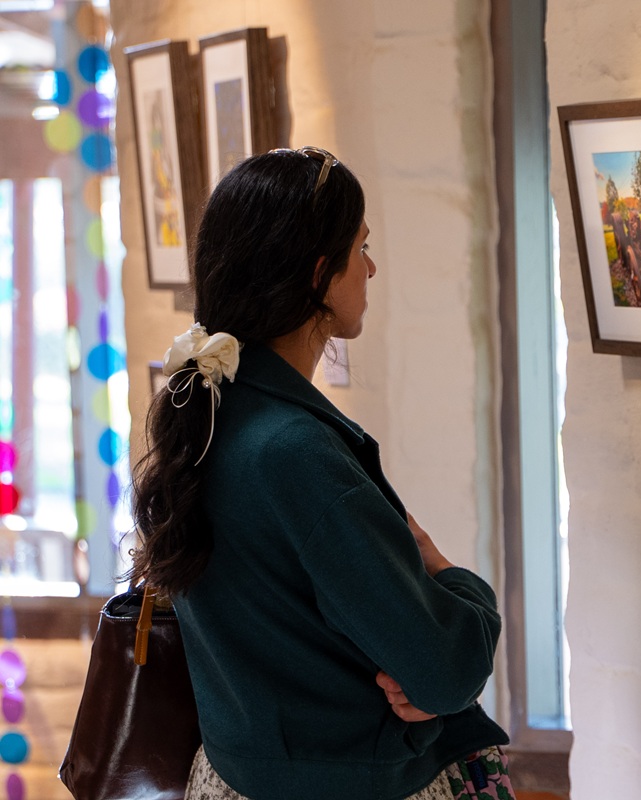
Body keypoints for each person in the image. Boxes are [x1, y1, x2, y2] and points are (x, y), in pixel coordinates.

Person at [130, 147, 509, 800]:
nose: (371, 267)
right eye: (361, 248)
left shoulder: (215, 416)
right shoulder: (295, 453)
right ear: (318, 276)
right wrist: (459, 584)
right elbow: (445, 670)